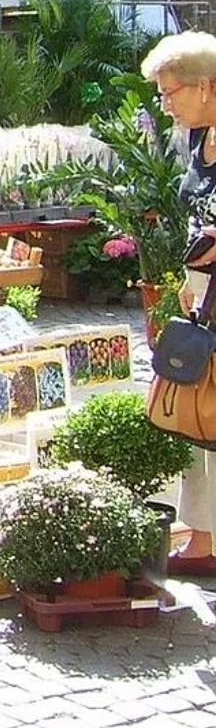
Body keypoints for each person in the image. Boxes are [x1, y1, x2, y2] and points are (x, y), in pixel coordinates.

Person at [141, 31, 216, 576]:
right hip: (203, 293)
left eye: (171, 93)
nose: (165, 104)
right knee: (197, 406)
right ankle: (203, 536)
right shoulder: (199, 137)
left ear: (206, 86)